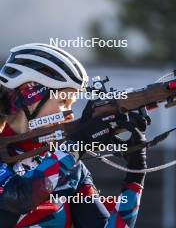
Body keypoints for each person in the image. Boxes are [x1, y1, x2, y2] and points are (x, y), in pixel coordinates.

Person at [0, 43, 148, 228]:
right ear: (31, 97)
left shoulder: (71, 168)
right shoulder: (66, 158)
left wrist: (135, 176)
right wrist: (77, 144)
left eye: (71, 104)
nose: (69, 113)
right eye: (63, 101)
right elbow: (19, 198)